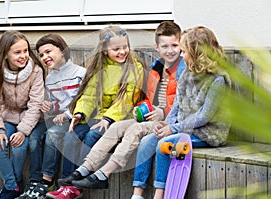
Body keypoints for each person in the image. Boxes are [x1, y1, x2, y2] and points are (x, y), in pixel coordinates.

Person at [57, 21, 186, 190]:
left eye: (174, 45)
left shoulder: (184, 70)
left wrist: (161, 112)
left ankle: (102, 174)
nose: (170, 51)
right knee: (114, 128)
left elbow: (180, 104)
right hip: (148, 117)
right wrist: (140, 109)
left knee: (129, 130)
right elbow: (148, 98)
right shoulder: (157, 67)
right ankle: (84, 169)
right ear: (157, 47)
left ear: (182, 45)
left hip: (171, 122)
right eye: (165, 46)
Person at [131, 26, 232, 199]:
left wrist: (173, 129)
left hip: (207, 133)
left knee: (165, 144)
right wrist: (166, 124)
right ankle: (137, 193)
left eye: (184, 51)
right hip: (183, 128)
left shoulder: (218, 80)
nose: (181, 55)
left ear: (197, 53)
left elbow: (204, 116)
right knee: (147, 141)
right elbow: (177, 105)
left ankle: (159, 194)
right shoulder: (186, 74)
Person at [45, 25, 144, 198]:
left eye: (125, 47)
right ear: (105, 50)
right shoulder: (99, 68)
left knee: (91, 136)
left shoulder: (134, 68)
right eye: (116, 49)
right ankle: (66, 183)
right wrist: (79, 114)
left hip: (119, 119)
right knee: (72, 135)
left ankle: (77, 187)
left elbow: (126, 101)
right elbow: (89, 96)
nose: (122, 52)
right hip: (98, 116)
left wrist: (108, 119)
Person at [18, 34, 87, 199]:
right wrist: (49, 107)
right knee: (34, 135)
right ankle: (34, 181)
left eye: (48, 51)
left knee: (52, 135)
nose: (45, 57)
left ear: (62, 50)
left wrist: (67, 114)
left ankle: (47, 181)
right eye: (41, 55)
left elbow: (87, 101)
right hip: (59, 118)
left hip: (76, 118)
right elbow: (56, 107)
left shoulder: (80, 73)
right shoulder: (50, 79)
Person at [0, 30, 45, 199]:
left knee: (19, 147)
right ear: (5, 54)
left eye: (25, 51)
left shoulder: (36, 71)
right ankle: (12, 186)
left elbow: (35, 105)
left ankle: (16, 181)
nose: (23, 55)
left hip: (29, 118)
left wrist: (23, 131)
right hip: (8, 116)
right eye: (17, 52)